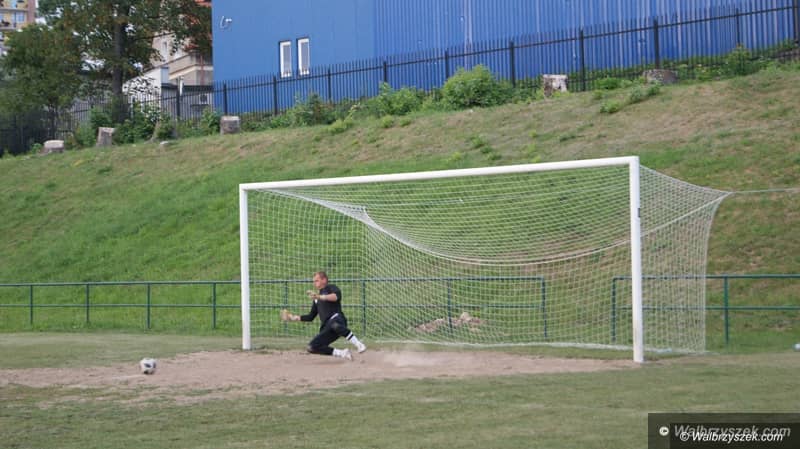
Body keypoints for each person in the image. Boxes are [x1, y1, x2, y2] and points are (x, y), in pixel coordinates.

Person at [282, 271, 366, 360]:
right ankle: (342, 353)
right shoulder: (316, 299)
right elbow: (310, 316)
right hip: (327, 327)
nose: (314, 283)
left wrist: (319, 297)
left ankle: (359, 344)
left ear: (324, 280)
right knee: (312, 347)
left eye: (317, 280)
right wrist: (293, 317)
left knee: (334, 325)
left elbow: (336, 297)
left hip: (337, 319)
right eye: (314, 281)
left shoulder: (331, 288)